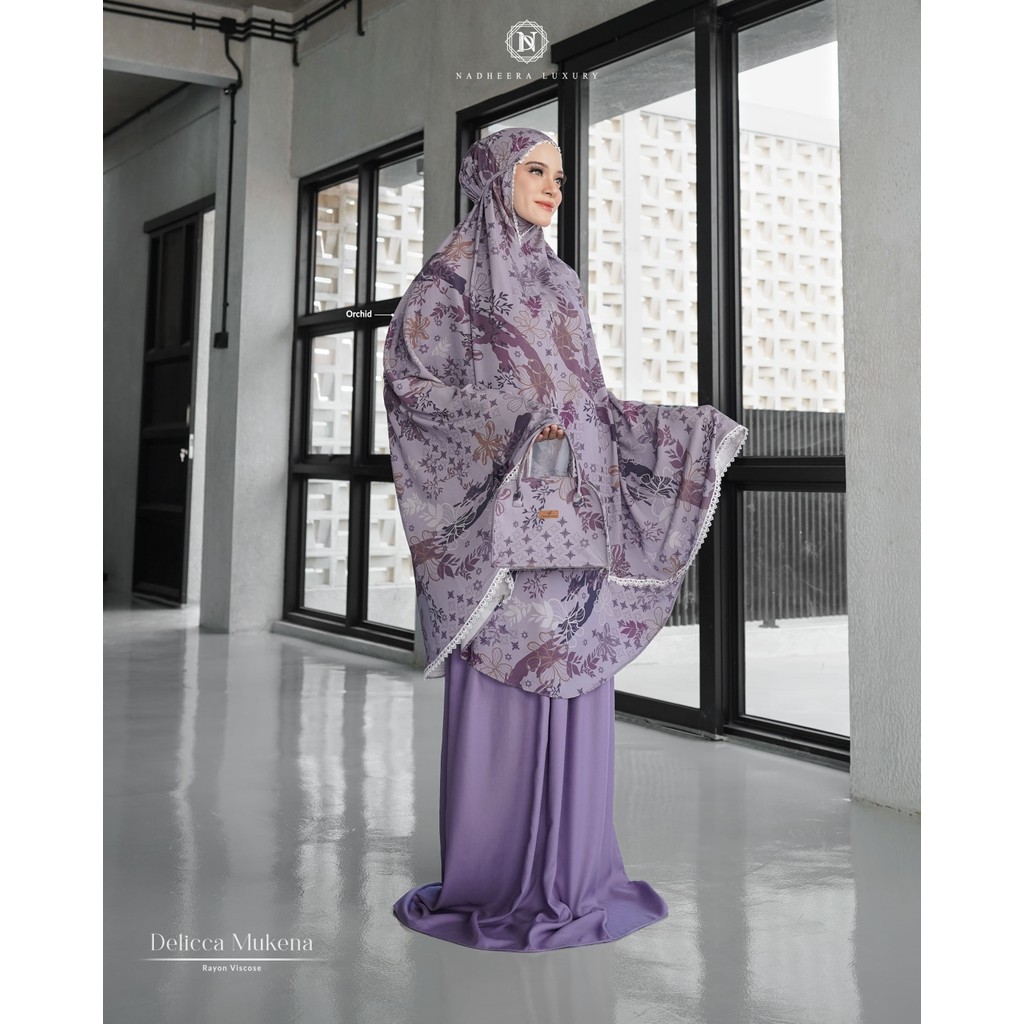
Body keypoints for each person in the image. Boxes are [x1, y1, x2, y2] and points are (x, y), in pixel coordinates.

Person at [384, 127, 747, 952]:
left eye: (559, 174)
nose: (553, 186)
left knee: (574, 666)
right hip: (502, 528)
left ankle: (574, 873)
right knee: (510, 669)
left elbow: (593, 404)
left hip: (578, 517)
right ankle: (495, 875)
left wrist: (680, 432)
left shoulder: (562, 283)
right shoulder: (446, 283)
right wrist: (516, 416)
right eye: (535, 170)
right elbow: (411, 389)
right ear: (494, 177)